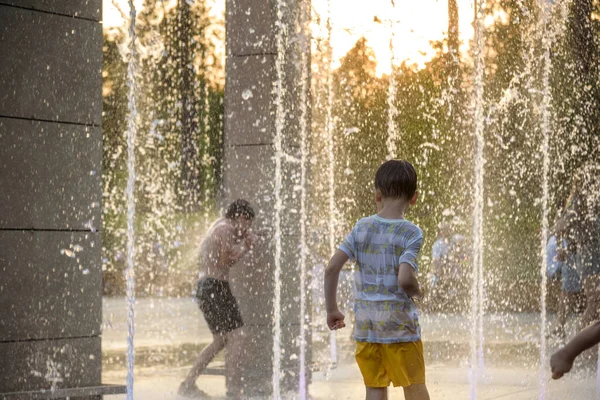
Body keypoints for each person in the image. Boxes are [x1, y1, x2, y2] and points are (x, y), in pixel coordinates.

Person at [324, 160, 431, 400]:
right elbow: (405, 278)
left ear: (377, 195)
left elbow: (331, 268)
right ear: (414, 198)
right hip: (401, 328)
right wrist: (419, 293)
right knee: (414, 386)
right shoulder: (411, 232)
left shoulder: (362, 227)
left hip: (366, 327)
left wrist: (332, 309)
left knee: (374, 388)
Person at [178, 199, 257, 398]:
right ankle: (233, 391)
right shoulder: (224, 230)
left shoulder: (220, 226)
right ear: (241, 217)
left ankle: (188, 384)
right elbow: (225, 260)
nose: (248, 228)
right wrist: (246, 247)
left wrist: (241, 238)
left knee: (220, 340)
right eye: (248, 223)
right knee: (238, 336)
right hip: (216, 286)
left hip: (207, 287)